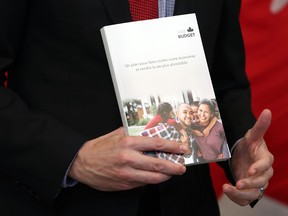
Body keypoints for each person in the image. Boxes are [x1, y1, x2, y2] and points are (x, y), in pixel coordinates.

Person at [0, 1, 274, 216]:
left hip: (186, 202)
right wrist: (74, 158)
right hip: (62, 202)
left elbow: (224, 82)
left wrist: (239, 148)